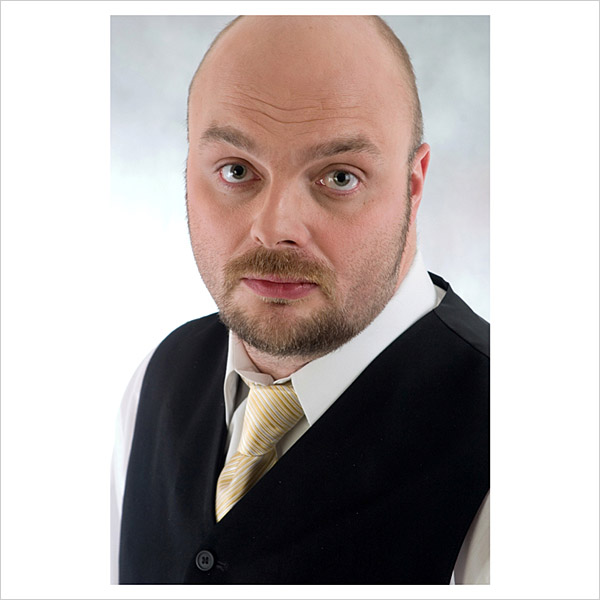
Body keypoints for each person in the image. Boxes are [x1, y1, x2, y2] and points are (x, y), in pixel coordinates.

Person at [112, 15, 490, 585]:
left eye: (339, 177)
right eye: (236, 170)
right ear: (188, 170)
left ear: (413, 185)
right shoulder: (154, 383)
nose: (275, 229)